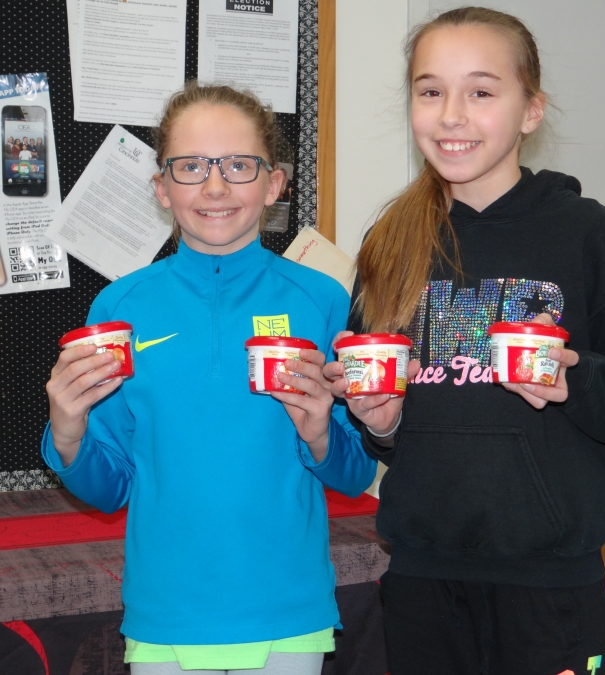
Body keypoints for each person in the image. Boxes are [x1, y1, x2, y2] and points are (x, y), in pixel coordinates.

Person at [325, 7, 605, 675]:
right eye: (430, 91)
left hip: (552, 586)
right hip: (424, 577)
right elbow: (384, 423)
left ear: (530, 111)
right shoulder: (390, 242)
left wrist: (573, 380)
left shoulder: (585, 233)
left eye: (481, 92)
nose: (451, 113)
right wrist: (381, 423)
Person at [44, 82, 375, 675]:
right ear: (161, 188)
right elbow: (109, 487)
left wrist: (322, 431)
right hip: (166, 611)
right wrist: (67, 433)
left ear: (274, 184)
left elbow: (355, 474)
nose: (215, 186)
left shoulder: (322, 298)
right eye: (191, 166)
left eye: (238, 165)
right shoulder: (121, 310)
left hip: (287, 610)